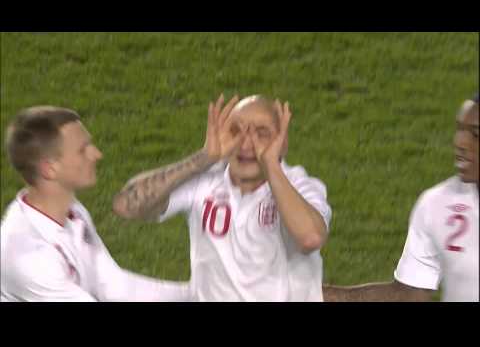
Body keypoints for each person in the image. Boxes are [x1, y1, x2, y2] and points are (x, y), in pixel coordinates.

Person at [113, 94, 332, 301]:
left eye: (261, 133)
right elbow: (126, 206)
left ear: (282, 141)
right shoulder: (205, 181)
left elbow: (310, 238)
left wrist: (271, 165)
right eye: (236, 131)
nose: (246, 144)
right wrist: (204, 158)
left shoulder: (300, 186)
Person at [1, 106, 191, 302]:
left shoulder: (72, 211)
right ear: (49, 169)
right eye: (83, 150)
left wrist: (199, 293)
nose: (96, 154)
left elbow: (112, 284)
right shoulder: (28, 255)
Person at [323, 94, 479, 302]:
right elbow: (409, 295)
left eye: (476, 134)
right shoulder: (438, 203)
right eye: (460, 129)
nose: (461, 143)